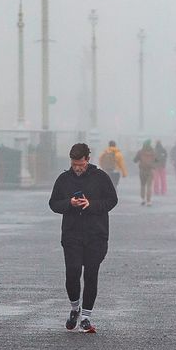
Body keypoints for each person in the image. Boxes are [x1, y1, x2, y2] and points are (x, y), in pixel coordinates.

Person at [48, 142, 118, 333]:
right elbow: (53, 203)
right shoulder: (64, 179)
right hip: (72, 233)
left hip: (96, 233)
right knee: (72, 271)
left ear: (88, 159)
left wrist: (92, 204)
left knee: (90, 274)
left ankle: (86, 317)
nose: (77, 168)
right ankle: (74, 308)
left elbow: (112, 200)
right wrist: (69, 203)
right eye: (74, 164)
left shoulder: (101, 177)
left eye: (80, 164)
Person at [133, 140, 156, 206]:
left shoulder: (140, 152)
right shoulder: (153, 152)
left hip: (142, 170)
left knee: (143, 185)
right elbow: (157, 161)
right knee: (149, 186)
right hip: (150, 170)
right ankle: (149, 201)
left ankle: (143, 199)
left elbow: (135, 160)